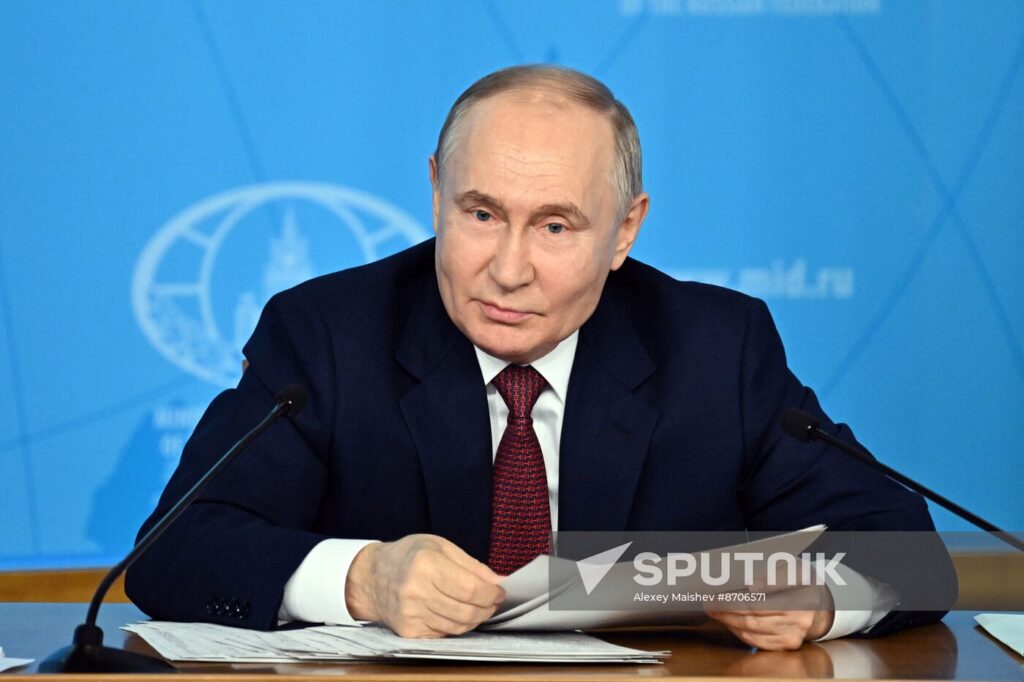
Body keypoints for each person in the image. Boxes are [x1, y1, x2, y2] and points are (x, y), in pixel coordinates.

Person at [126, 65, 950, 651]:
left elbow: (907, 551)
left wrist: (818, 601)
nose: (509, 268)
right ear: (435, 191)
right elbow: (173, 550)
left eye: (556, 227)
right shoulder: (328, 333)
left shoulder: (714, 347)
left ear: (625, 230)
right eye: (481, 213)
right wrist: (363, 578)